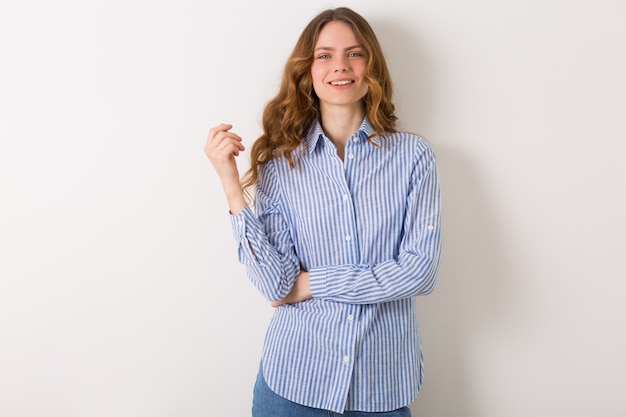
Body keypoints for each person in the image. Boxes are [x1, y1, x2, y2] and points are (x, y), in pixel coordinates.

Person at [204, 7, 441, 417]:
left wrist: (312, 283)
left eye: (354, 53)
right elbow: (276, 285)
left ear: (372, 66)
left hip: (380, 389)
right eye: (324, 55)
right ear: (308, 71)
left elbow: (419, 272)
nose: (341, 66)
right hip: (293, 385)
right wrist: (230, 183)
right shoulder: (281, 163)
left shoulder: (413, 158)